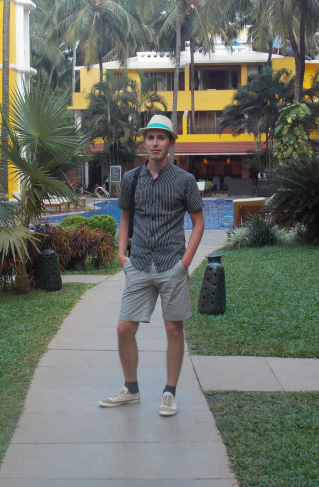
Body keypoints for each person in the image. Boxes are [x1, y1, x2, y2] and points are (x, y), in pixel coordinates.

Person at [98, 114, 205, 417]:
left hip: (172, 265)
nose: (155, 143)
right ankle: (131, 389)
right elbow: (125, 219)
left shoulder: (185, 181)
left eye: (161, 137)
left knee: (173, 329)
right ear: (144, 142)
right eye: (150, 137)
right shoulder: (132, 179)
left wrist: (185, 262)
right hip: (140, 264)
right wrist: (122, 255)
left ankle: (169, 392)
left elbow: (198, 223)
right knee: (124, 329)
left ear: (170, 143)